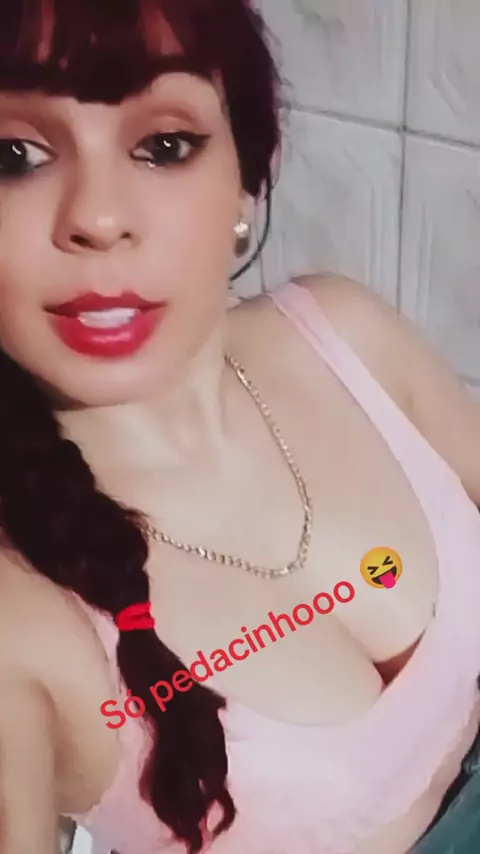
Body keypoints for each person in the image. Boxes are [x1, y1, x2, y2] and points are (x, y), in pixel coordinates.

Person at [1, 1, 480, 853]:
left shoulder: (344, 335)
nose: (99, 217)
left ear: (247, 176)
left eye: (164, 145)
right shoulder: (20, 620)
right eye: (15, 157)